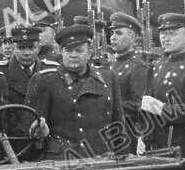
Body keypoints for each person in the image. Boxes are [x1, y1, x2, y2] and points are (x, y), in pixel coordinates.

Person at [26, 24, 125, 160]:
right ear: (61, 52)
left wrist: (123, 159)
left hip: (102, 159)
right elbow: (33, 130)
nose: (73, 55)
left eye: (79, 50)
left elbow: (118, 124)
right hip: (62, 161)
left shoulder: (108, 77)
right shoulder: (45, 80)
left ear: (89, 52)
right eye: (68, 50)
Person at [140, 13, 185, 157]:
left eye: (172, 34)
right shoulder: (157, 66)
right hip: (153, 148)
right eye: (163, 33)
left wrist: (162, 109)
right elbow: (146, 108)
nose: (165, 38)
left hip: (179, 148)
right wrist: (142, 137)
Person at [107, 12, 148, 154]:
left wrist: (111, 106)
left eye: (118, 33)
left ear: (132, 37)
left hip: (126, 134)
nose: (112, 37)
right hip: (111, 133)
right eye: (112, 33)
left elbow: (139, 105)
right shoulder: (112, 65)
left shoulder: (137, 66)